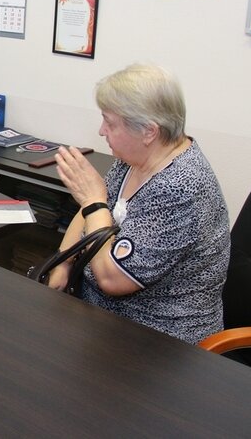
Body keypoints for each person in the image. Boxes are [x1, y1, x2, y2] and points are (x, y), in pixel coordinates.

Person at [47, 64, 230, 344]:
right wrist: (63, 261)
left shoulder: (180, 187)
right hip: (103, 312)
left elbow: (113, 281)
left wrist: (94, 201)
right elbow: (90, 212)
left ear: (148, 132)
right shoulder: (134, 160)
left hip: (159, 337)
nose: (101, 131)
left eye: (110, 123)